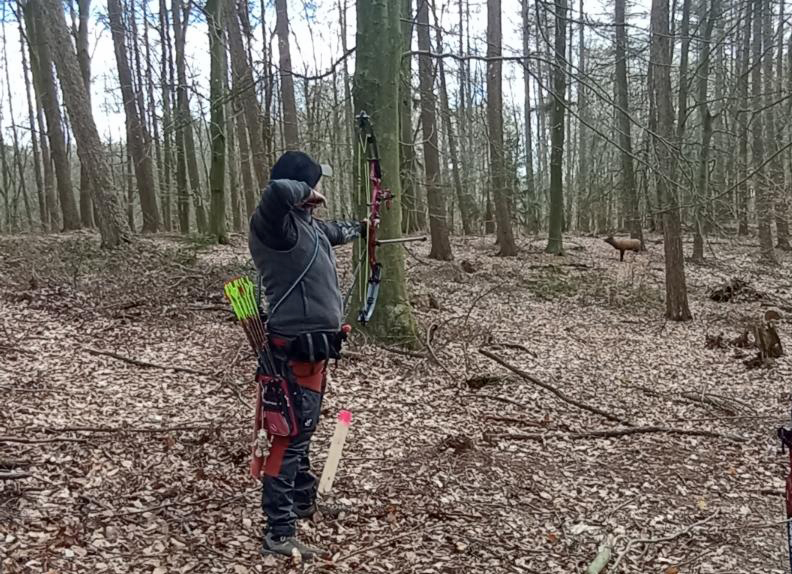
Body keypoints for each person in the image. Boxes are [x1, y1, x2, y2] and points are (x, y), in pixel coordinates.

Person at [248, 150, 365, 560]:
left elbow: (336, 231)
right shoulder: (274, 226)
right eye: (315, 184)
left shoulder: (306, 226)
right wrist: (307, 190)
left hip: (315, 353)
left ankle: (301, 502)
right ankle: (279, 533)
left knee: (300, 434)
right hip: (291, 355)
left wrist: (363, 226)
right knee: (288, 441)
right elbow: (277, 191)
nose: (318, 191)